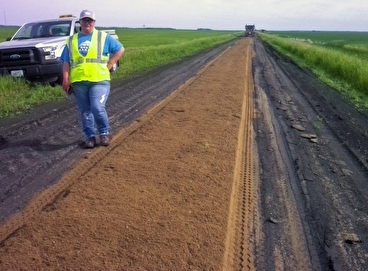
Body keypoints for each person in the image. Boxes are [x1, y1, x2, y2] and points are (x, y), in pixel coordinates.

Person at [61, 10, 124, 148]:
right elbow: (66, 62)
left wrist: (110, 64)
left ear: (94, 22)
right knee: (85, 111)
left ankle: (104, 133)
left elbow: (120, 49)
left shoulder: (103, 37)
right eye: (84, 20)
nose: (87, 23)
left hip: (99, 80)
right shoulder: (71, 40)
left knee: (97, 107)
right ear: (80, 22)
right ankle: (90, 137)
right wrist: (66, 78)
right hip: (79, 82)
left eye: (90, 20)